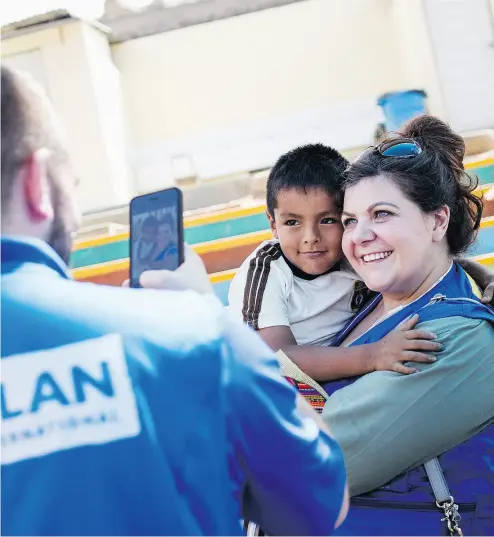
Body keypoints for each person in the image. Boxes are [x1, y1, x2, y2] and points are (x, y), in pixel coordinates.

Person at [0, 66, 348, 536]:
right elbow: (319, 504)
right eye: (73, 185)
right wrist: (210, 320)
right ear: (37, 184)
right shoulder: (195, 335)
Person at [314, 116, 493, 535]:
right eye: (350, 220)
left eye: (382, 214)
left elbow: (316, 464)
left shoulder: (458, 337)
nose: (360, 235)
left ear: (437, 221)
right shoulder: (364, 306)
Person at [228, 144, 494, 386]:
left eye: (328, 220)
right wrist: (373, 355)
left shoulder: (350, 251)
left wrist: (485, 277)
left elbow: (430, 258)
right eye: (292, 222)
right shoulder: (266, 271)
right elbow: (279, 358)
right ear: (273, 224)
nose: (311, 237)